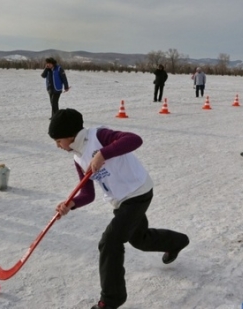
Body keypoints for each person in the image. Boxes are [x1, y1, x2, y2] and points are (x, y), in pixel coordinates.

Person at [48, 108, 190, 309]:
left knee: (110, 241)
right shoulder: (78, 157)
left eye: (58, 140)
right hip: (122, 201)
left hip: (138, 191)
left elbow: (134, 139)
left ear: (70, 136)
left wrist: (103, 153)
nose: (57, 145)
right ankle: (177, 241)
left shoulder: (98, 136)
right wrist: (71, 204)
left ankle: (111, 300)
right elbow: (88, 194)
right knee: (139, 239)